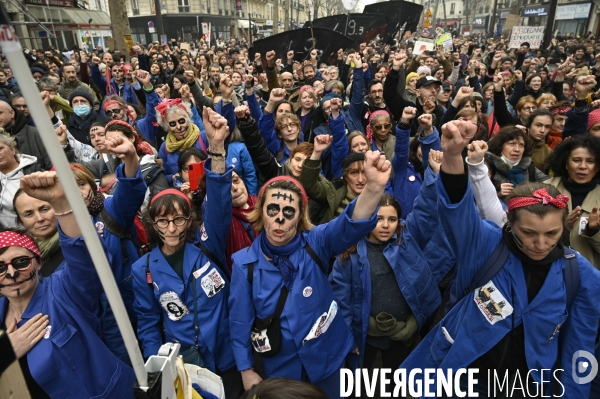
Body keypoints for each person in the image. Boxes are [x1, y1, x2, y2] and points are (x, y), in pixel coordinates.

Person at [400, 118, 600, 398]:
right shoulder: (485, 245)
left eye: (552, 233)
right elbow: (457, 209)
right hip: (463, 380)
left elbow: (580, 346)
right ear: (510, 222)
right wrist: (453, 155)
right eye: (529, 233)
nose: (540, 244)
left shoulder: (580, 274)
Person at [229, 150, 391, 398]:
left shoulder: (316, 243)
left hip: (327, 361)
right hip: (282, 371)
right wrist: (245, 369)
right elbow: (240, 322)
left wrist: (373, 189)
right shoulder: (243, 264)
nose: (280, 218)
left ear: (301, 216)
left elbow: (348, 224)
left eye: (289, 211)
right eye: (272, 209)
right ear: (260, 211)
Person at [1, 161, 138, 398]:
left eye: (21, 262)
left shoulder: (62, 290)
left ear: (38, 262)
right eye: (1, 267)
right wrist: (5, 352)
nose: (12, 273)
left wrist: (63, 203)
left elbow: (87, 261)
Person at [133, 107, 243, 398]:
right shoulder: (142, 269)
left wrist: (216, 148)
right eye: (163, 221)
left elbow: (219, 201)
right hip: (184, 366)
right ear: (153, 224)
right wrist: (156, 364)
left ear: (189, 220)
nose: (171, 228)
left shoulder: (208, 244)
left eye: (179, 219)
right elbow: (147, 321)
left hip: (227, 355)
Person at [330, 152, 452, 379]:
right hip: (366, 336)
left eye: (392, 219)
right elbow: (341, 302)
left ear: (400, 222)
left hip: (404, 332)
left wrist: (434, 173)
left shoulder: (406, 238)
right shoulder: (350, 253)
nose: (385, 225)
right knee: (363, 383)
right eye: (378, 219)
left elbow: (424, 209)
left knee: (398, 382)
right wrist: (349, 339)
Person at [545, 135, 600, 268]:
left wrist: (594, 231)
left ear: (598, 166)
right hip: (550, 272)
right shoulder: (544, 190)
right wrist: (562, 227)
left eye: (590, 161)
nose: (583, 166)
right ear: (565, 163)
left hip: (590, 280)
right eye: (576, 160)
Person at [13, 190, 64, 276]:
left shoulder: (77, 241)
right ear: (21, 221)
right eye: (29, 214)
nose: (39, 218)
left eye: (44, 209)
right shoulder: (18, 255)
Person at [0, 132, 42, 228]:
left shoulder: (35, 172)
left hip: (42, 231)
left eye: (0, 149)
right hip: (12, 239)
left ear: (12, 149)